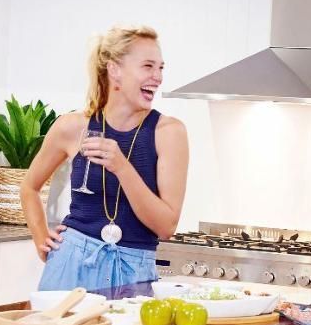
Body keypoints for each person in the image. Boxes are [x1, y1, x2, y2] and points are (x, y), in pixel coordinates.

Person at [20, 25, 188, 291]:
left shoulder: (168, 132)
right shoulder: (72, 126)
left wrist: (122, 167)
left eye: (161, 68)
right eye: (147, 66)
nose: (157, 77)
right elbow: (29, 187)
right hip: (71, 263)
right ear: (114, 70)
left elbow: (166, 226)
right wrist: (42, 239)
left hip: (134, 269)